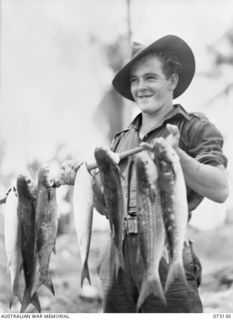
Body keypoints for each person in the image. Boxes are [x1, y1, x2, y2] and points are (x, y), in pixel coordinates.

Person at [93, 34, 229, 313]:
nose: (140, 87)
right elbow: (107, 208)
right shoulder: (120, 141)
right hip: (115, 259)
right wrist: (88, 181)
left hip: (166, 251)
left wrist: (176, 155)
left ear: (172, 81)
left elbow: (220, 189)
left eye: (150, 77)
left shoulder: (194, 128)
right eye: (134, 80)